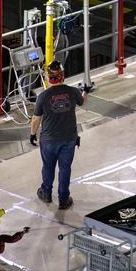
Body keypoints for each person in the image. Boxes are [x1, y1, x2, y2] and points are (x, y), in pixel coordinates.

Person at [29, 60, 85, 210]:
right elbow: (82, 101)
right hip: (68, 139)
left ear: (48, 77)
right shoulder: (73, 92)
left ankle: (46, 193)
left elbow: (36, 118)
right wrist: (85, 90)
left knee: (48, 166)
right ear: (63, 76)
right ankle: (63, 199)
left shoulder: (43, 96)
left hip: (48, 141)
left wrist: (32, 134)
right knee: (65, 169)